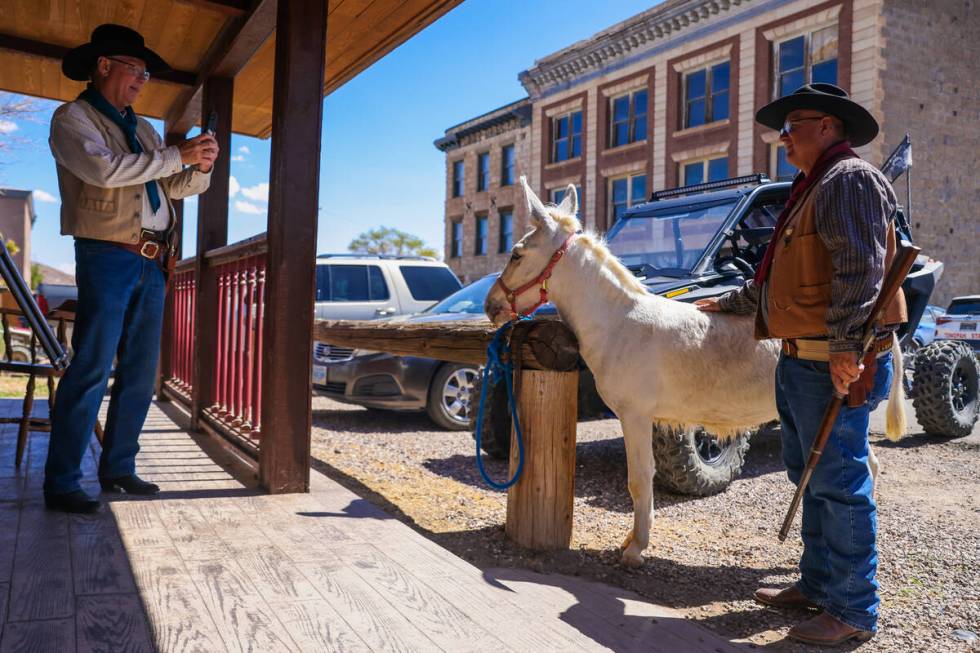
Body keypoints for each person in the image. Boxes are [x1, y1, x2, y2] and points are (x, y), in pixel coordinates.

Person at [696, 83, 906, 646]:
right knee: (810, 477)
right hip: (800, 359)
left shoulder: (850, 180)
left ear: (829, 127)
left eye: (794, 125)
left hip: (829, 361)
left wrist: (846, 351)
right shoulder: (814, 185)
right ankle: (818, 585)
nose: (783, 136)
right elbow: (781, 280)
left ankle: (853, 611)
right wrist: (731, 303)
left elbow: (860, 272)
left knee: (839, 484)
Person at [43, 24, 219, 513]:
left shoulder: (142, 129)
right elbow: (104, 171)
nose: (142, 79)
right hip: (106, 255)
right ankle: (61, 481)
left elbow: (172, 188)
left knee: (141, 373)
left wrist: (198, 167)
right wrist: (173, 157)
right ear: (104, 65)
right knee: (93, 366)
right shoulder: (72, 118)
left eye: (144, 72)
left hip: (153, 260)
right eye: (135, 68)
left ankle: (119, 467)